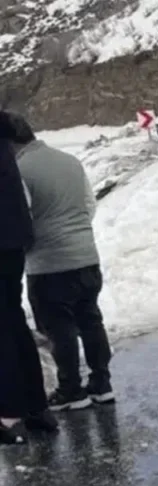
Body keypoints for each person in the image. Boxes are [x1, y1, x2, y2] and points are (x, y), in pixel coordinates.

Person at [9, 113, 115, 412]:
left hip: (49, 264)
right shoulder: (70, 161)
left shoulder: (19, 170)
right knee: (91, 320)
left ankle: (71, 390)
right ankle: (101, 383)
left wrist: (25, 249)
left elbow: (23, 217)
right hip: (86, 256)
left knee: (59, 328)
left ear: (10, 142)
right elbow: (88, 205)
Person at [0, 112, 56, 442]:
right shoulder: (5, 141)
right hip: (14, 241)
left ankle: (8, 416)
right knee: (13, 319)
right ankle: (37, 408)